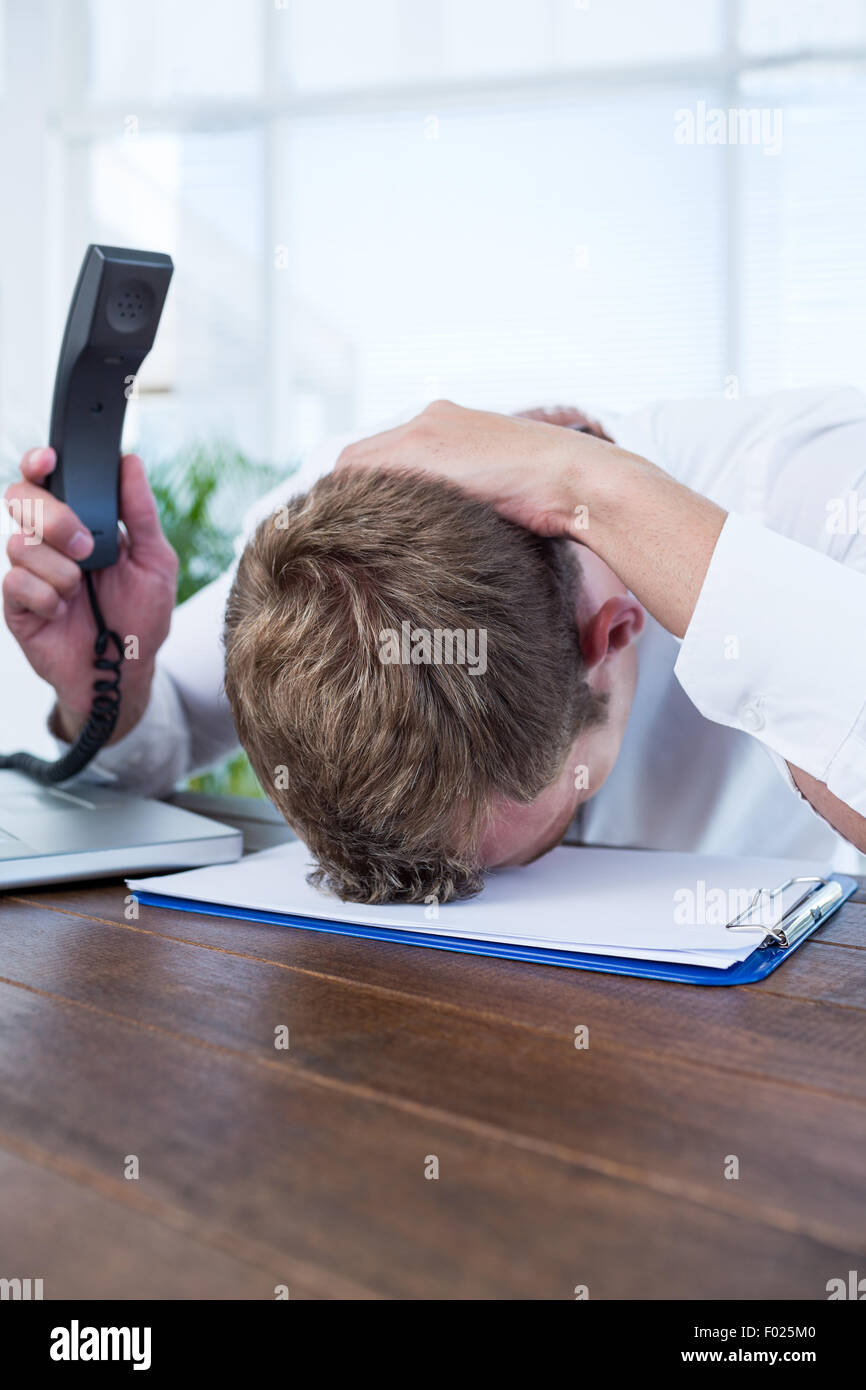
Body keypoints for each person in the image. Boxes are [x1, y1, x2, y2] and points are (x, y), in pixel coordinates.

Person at [4, 388, 866, 903]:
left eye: (537, 837)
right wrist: (107, 679)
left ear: (614, 634)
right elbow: (156, 742)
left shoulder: (829, 491)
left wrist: (594, 487)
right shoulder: (339, 546)